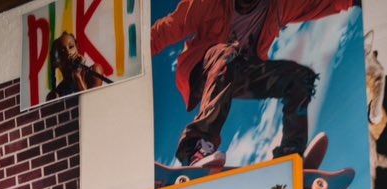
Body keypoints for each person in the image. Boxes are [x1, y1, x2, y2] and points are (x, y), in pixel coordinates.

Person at [150, 0, 356, 166]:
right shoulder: (206, 3)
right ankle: (195, 146)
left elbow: (315, 4)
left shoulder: (278, 6)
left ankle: (290, 156)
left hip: (242, 72)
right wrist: (131, 57)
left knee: (299, 78)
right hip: (204, 68)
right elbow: (168, 28)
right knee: (227, 53)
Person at [46, 32, 107, 100]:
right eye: (62, 50)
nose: (68, 52)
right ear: (55, 63)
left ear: (77, 49)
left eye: (71, 47)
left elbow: (91, 105)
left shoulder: (94, 71)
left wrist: (77, 76)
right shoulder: (56, 95)